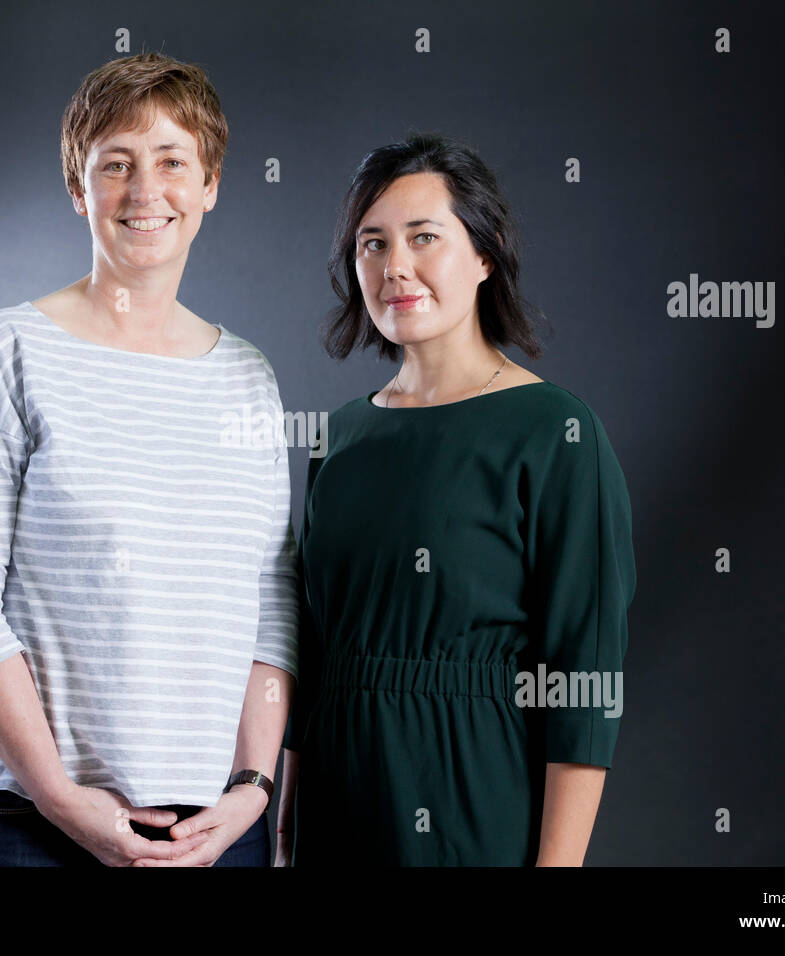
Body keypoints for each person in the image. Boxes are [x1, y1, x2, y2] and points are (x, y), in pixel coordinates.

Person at [0, 52, 298, 867]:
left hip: (214, 829)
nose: (144, 192)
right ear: (78, 188)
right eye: (115, 165)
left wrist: (251, 791)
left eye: (172, 162)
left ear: (210, 186)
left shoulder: (248, 378)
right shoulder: (8, 350)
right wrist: (58, 796)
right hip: (25, 821)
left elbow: (271, 603)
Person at [277, 133, 637, 866]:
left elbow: (583, 679)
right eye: (371, 244)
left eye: (424, 237)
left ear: (484, 254)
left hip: (473, 803)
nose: (394, 267)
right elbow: (310, 657)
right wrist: (285, 833)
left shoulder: (555, 432)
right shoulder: (337, 438)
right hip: (336, 813)